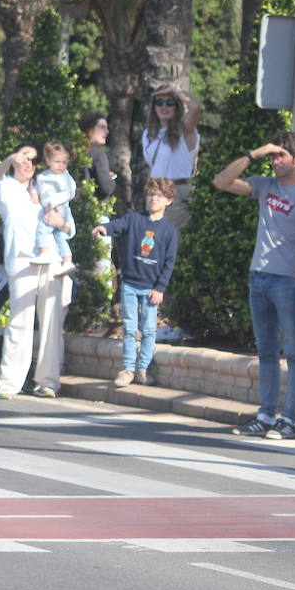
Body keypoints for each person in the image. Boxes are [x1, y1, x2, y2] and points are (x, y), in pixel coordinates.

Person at [215, 131, 295, 440]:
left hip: (288, 281)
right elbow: (221, 182)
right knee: (265, 351)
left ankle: (288, 419)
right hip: (258, 276)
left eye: (281, 156)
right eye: (273, 156)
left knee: (293, 352)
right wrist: (255, 153)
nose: (275, 161)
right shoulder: (264, 185)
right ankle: (265, 415)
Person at [0, 146, 71, 400]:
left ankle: (48, 381)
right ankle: (9, 382)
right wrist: (10, 158)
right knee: (19, 321)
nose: (28, 164)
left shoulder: (47, 188)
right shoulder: (5, 188)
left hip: (52, 259)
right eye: (23, 159)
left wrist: (61, 224)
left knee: (51, 323)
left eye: (32, 161)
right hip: (22, 261)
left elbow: (67, 226)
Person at [93, 178, 180, 388]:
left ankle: (143, 369)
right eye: (150, 195)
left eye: (158, 196)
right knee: (130, 328)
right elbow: (118, 225)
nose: (153, 199)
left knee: (149, 330)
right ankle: (127, 369)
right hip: (130, 284)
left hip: (151, 288)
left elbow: (169, 262)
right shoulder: (134, 219)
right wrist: (104, 228)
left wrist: (160, 288)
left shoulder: (169, 230)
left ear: (168, 200)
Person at [142, 87, 200, 229]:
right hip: (155, 193)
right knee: (152, 242)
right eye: (159, 102)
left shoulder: (185, 129)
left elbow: (195, 107)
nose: (164, 106)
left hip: (177, 192)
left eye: (170, 102)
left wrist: (176, 90)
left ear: (177, 106)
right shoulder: (149, 134)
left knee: (174, 242)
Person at [34, 141, 78, 277]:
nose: (61, 165)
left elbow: (70, 192)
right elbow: (37, 188)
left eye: (64, 162)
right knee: (60, 237)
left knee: (43, 227)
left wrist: (55, 201)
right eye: (57, 161)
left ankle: (44, 252)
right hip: (48, 207)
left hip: (60, 208)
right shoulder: (42, 177)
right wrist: (35, 195)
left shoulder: (65, 177)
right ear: (48, 160)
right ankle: (67, 261)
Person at [80, 114, 117, 201]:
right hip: (96, 208)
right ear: (90, 130)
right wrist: (111, 179)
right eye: (102, 127)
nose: (107, 131)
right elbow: (106, 187)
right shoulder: (98, 154)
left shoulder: (76, 152)